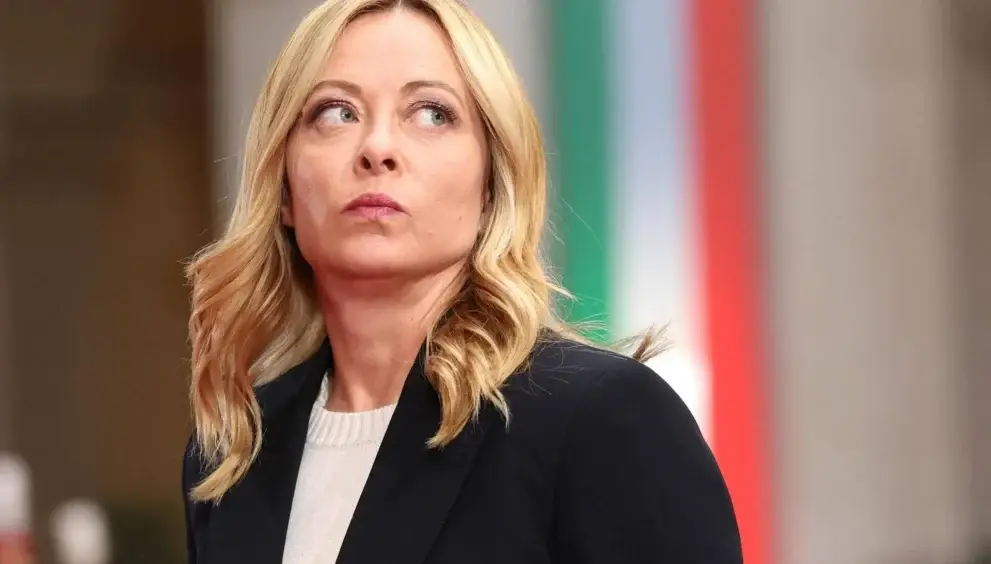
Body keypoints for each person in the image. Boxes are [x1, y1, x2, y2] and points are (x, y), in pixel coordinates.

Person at [182, 0, 742, 562]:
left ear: (491, 187)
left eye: (431, 113)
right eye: (336, 112)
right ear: (282, 187)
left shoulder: (599, 420)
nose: (377, 148)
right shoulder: (233, 454)